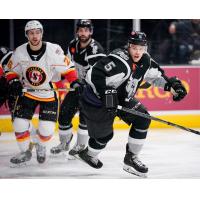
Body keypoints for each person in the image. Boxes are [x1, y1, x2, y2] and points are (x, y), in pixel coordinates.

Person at [77, 31, 187, 177]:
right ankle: (89, 154)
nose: (138, 52)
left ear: (145, 48)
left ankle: (131, 158)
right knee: (104, 137)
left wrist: (173, 87)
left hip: (121, 98)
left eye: (141, 48)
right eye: (134, 47)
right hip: (96, 100)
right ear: (129, 46)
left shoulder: (145, 60)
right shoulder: (119, 60)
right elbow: (95, 73)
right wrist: (105, 93)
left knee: (143, 118)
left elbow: (157, 76)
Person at [6, 20, 78, 165]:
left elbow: (68, 67)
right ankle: (25, 151)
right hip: (27, 93)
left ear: (42, 33)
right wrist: (13, 81)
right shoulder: (19, 51)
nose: (35, 36)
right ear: (27, 35)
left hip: (48, 94)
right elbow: (10, 70)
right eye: (31, 33)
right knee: (19, 124)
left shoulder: (53, 50)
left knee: (46, 130)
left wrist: (74, 82)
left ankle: (40, 145)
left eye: (37, 32)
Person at [50, 19, 106, 156]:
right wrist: (59, 78)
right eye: (81, 30)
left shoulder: (96, 49)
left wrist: (89, 88)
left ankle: (80, 145)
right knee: (63, 114)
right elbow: (67, 65)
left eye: (86, 30)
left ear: (91, 32)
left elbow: (98, 75)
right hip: (77, 86)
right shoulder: (72, 45)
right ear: (77, 32)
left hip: (92, 90)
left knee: (84, 118)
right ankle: (64, 143)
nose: (83, 33)